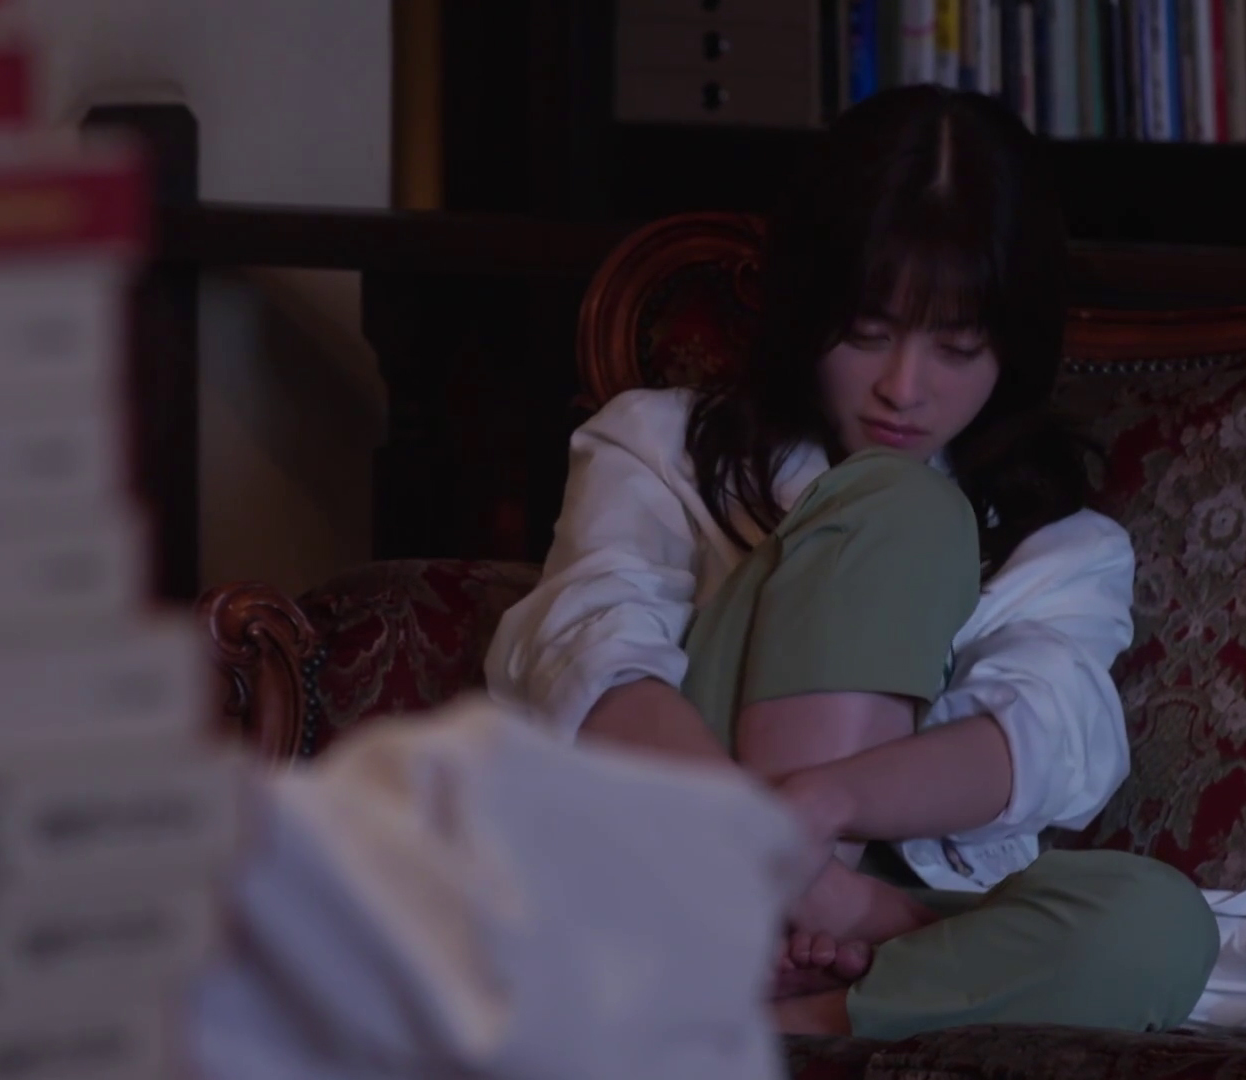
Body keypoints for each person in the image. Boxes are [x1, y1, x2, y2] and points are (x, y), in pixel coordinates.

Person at [483, 85, 1219, 1039]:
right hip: (672, 872)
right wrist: (795, 875)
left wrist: (826, 807)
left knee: (1160, 929)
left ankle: (791, 1025)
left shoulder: (1065, 546)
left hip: (880, 923)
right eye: (868, 334)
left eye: (957, 347)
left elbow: (1046, 739)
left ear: (1014, 348)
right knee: (898, 501)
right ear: (807, 305)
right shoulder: (658, 448)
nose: (903, 390)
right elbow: (592, 650)